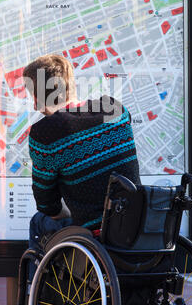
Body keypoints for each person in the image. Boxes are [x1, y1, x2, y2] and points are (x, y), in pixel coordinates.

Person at [23, 54, 141, 253]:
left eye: (32, 95)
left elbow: (47, 205)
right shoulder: (116, 109)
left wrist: (65, 210)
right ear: (71, 84)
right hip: (137, 221)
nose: (34, 106)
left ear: (39, 96)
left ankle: (41, 284)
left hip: (96, 234)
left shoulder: (46, 132)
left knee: (39, 222)